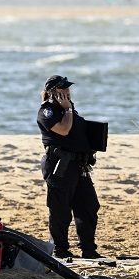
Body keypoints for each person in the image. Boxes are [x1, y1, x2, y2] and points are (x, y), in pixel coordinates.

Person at [37, 75, 102, 259]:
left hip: (79, 165)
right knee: (60, 209)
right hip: (60, 165)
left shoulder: (71, 110)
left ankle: (89, 250)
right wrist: (67, 110)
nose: (67, 93)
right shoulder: (47, 111)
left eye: (67, 90)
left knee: (88, 206)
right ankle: (60, 249)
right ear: (52, 93)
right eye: (62, 90)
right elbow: (64, 130)